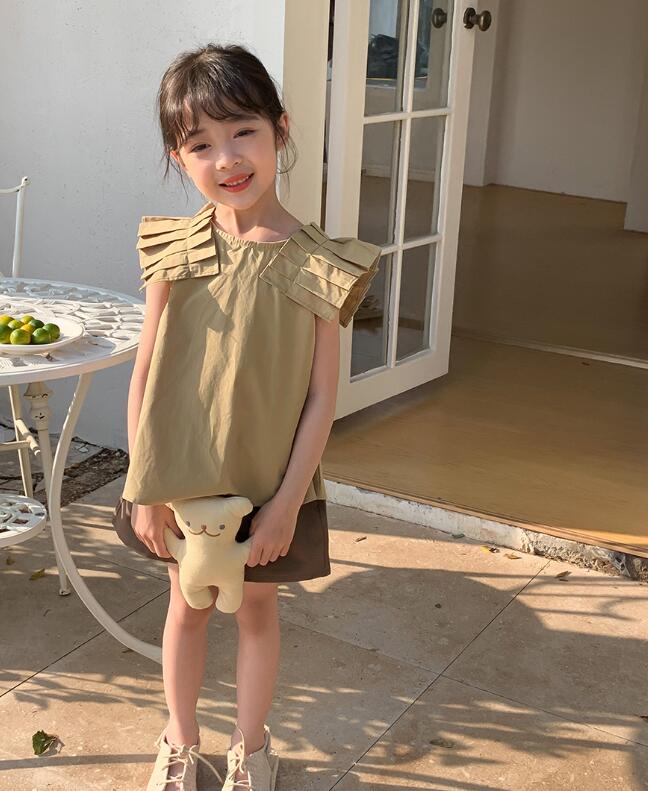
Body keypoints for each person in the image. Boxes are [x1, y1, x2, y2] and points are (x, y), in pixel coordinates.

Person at [111, 42, 381, 791]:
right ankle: (179, 741)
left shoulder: (318, 263)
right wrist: (143, 485)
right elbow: (145, 370)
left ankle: (251, 748)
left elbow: (322, 396)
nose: (226, 158)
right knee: (186, 606)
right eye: (200, 144)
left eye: (242, 132)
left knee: (257, 613)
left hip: (268, 486)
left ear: (279, 130)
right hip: (182, 479)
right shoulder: (174, 249)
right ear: (179, 157)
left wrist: (286, 504)